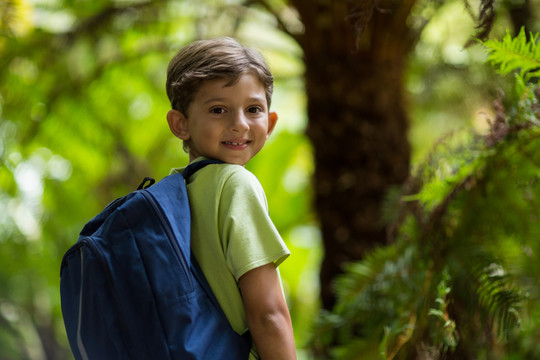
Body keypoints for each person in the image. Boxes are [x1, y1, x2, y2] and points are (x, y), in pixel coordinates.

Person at [165, 37, 297, 360]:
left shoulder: (175, 191)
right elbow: (268, 313)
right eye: (218, 110)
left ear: (270, 122)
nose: (239, 124)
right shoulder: (236, 185)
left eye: (253, 109)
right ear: (180, 124)